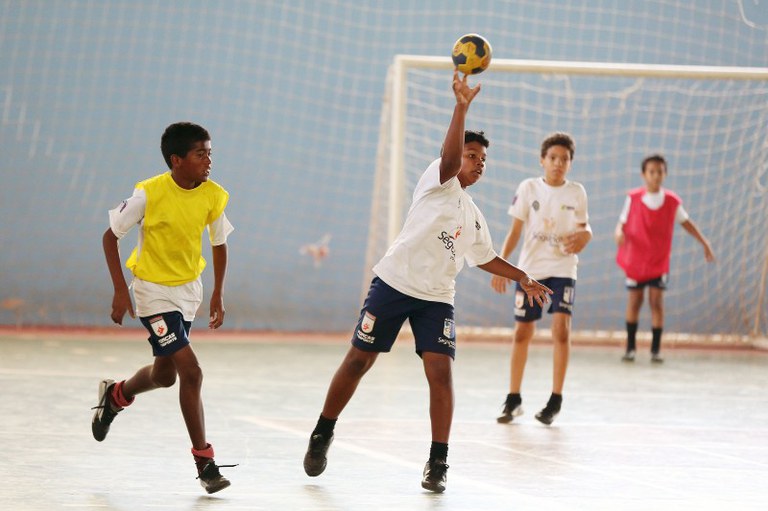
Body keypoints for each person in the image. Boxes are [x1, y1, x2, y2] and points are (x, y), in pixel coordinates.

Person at [302, 70, 552, 494]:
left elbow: (485, 256)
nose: (478, 163)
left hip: (436, 299)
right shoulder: (438, 179)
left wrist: (521, 276)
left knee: (441, 373)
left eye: (483, 159)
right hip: (394, 284)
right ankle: (323, 430)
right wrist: (461, 106)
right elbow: (450, 159)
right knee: (359, 360)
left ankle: (438, 460)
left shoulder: (473, 215)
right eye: (472, 155)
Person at [92, 122, 236, 494]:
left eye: (210, 153)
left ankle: (116, 396)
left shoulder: (213, 196)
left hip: (187, 293)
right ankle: (205, 462)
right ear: (177, 160)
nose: (208, 161)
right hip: (152, 294)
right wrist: (120, 290)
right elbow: (110, 237)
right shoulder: (149, 194)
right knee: (191, 371)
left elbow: (219, 244)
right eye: (200, 154)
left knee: (165, 375)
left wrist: (218, 293)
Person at [491, 132, 592, 426]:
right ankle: (513, 398)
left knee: (561, 330)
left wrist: (587, 235)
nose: (558, 163)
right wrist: (501, 265)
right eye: (553, 158)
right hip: (531, 271)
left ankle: (555, 399)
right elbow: (515, 231)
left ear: (570, 163)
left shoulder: (576, 192)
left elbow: (584, 228)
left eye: (564, 159)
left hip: (563, 268)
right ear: (542, 160)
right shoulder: (528, 188)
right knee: (522, 332)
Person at [614, 154, 715, 363]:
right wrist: (618, 233)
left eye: (660, 171)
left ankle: (655, 350)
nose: (656, 175)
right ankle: (630, 348)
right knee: (634, 302)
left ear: (665, 174)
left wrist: (704, 242)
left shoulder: (671, 201)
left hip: (658, 261)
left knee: (656, 303)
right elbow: (621, 222)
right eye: (651, 171)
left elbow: (687, 223)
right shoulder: (633, 198)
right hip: (636, 261)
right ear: (643, 174)